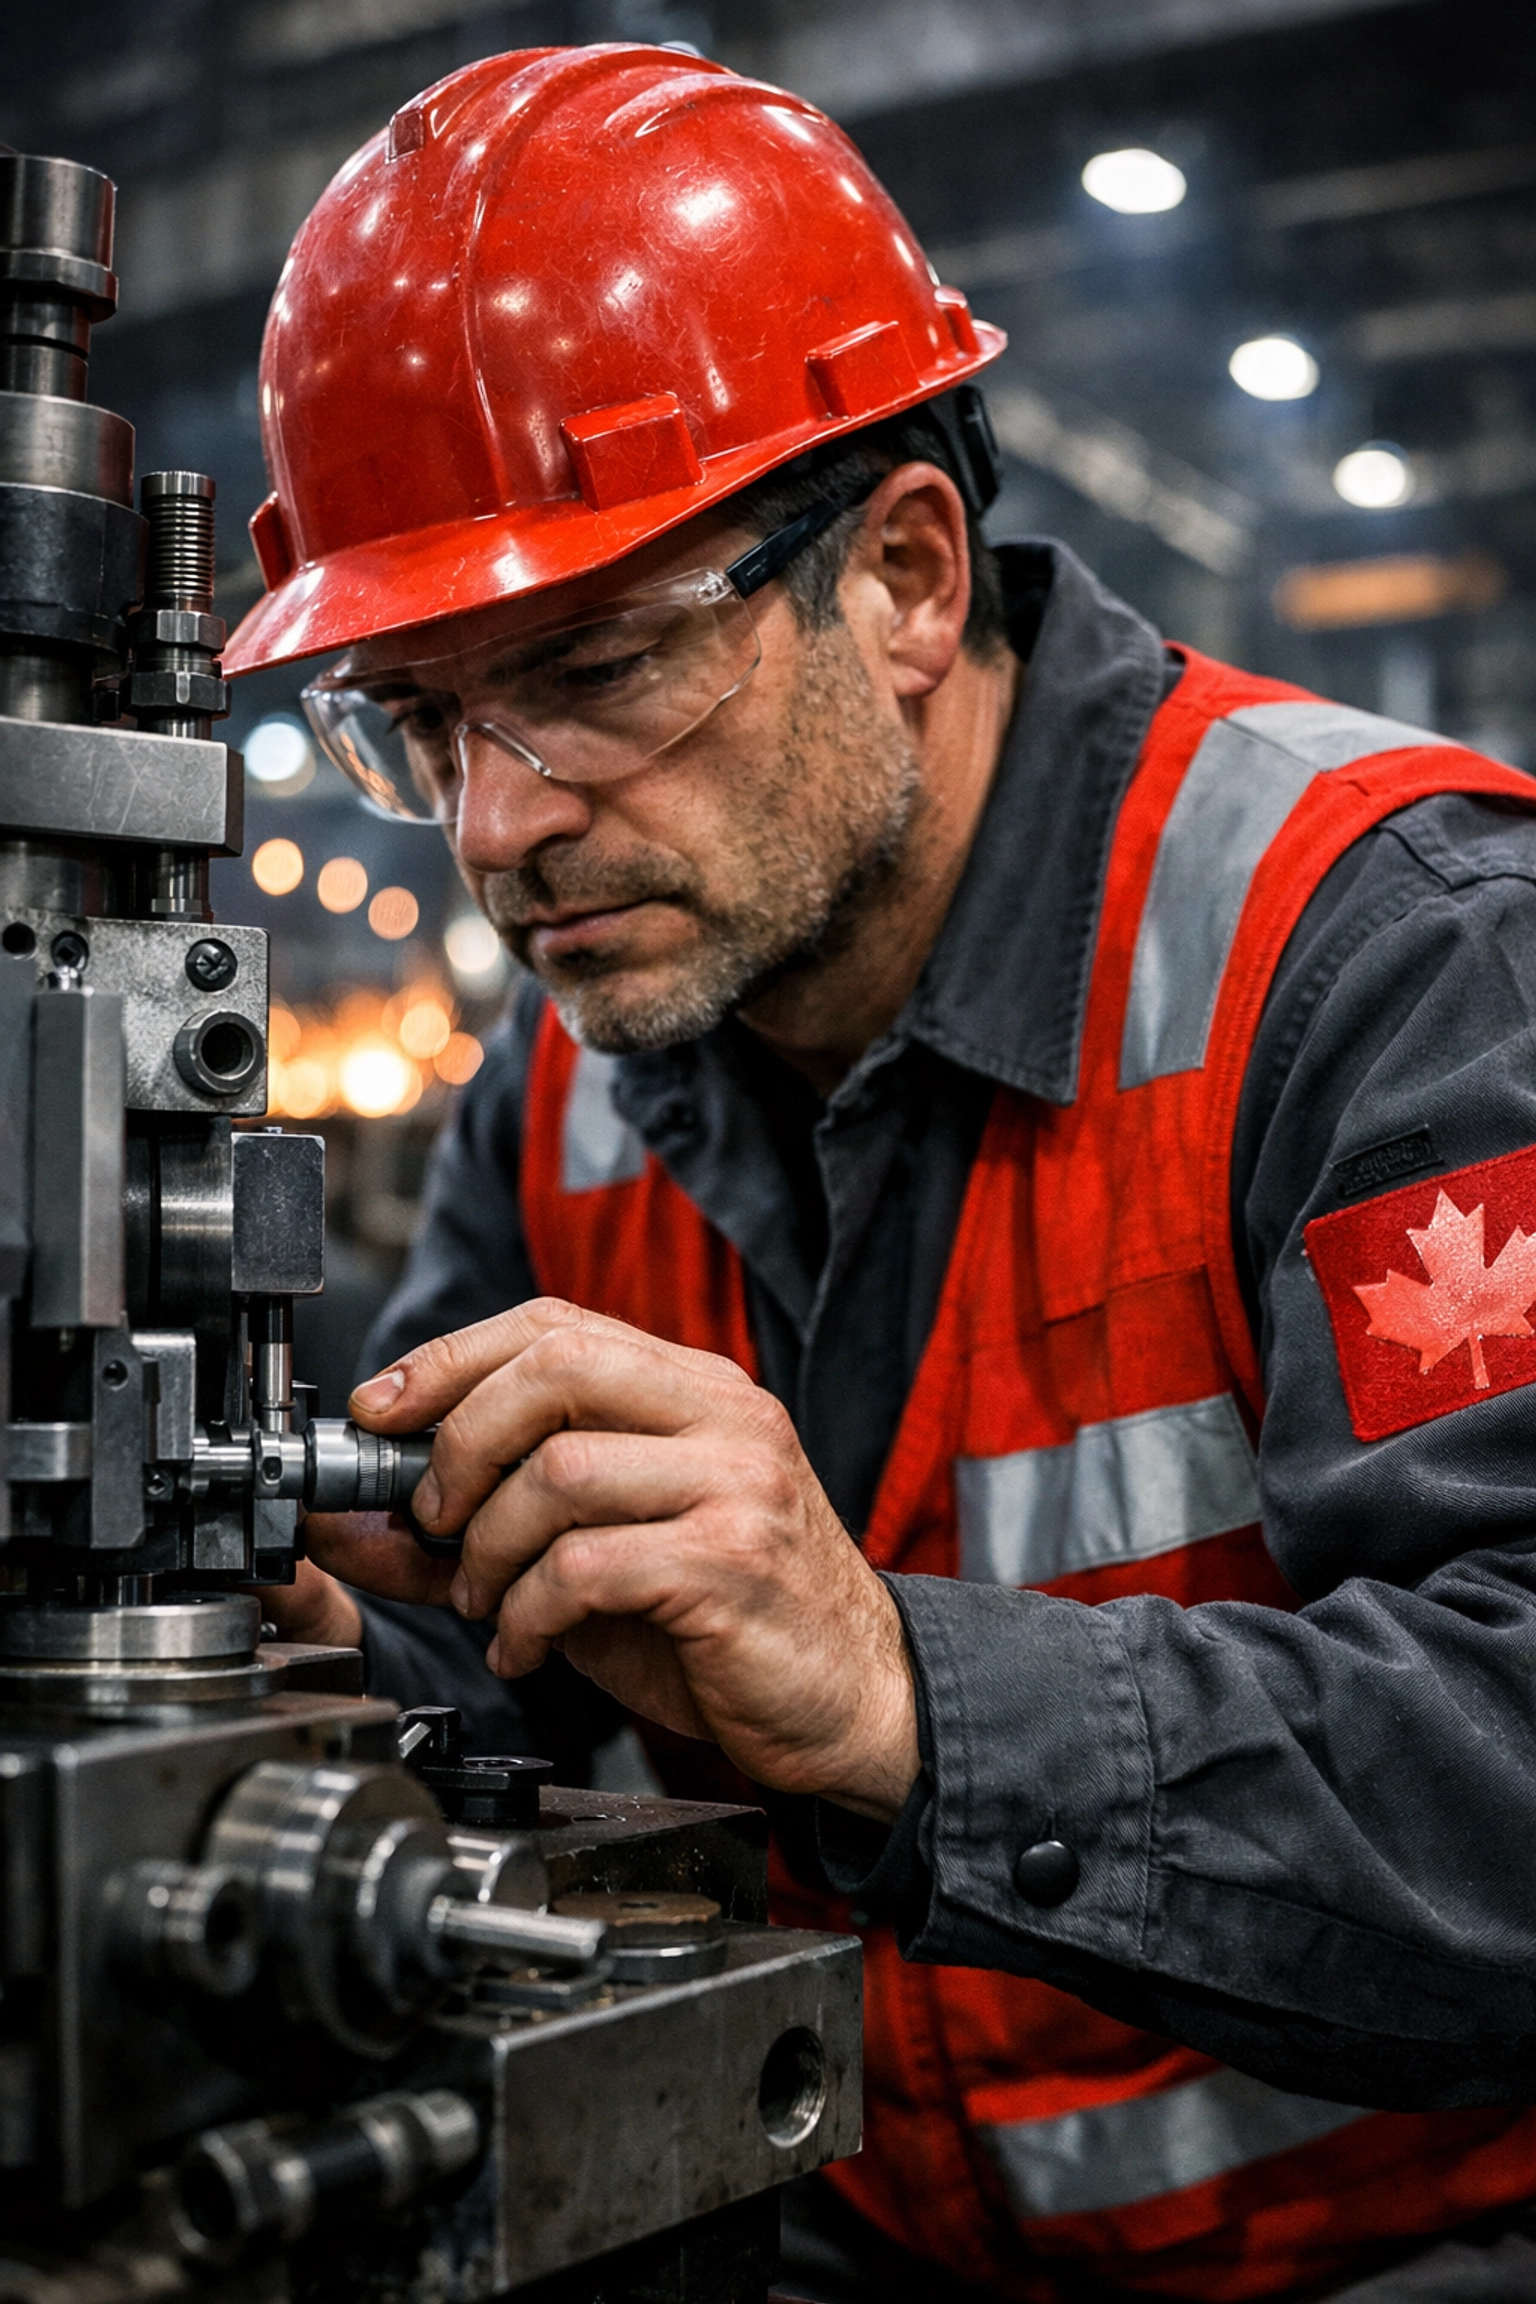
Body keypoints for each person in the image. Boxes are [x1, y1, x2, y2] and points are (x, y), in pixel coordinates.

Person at [228, 44, 1536, 2304]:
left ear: (909, 580)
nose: (489, 828)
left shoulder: (1380, 952)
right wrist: (345, 1680)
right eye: (420, 721)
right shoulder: (559, 1094)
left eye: (591, 668)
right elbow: (511, 1703)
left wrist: (901, 1695)